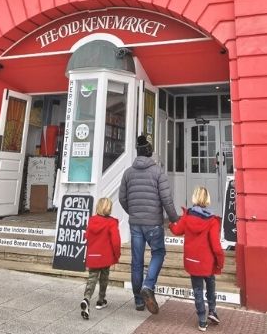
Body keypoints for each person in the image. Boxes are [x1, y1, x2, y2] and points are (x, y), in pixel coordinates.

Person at [119, 134, 179, 314]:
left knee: (136, 261)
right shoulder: (158, 172)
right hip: (153, 223)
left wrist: (134, 212)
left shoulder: (128, 172)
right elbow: (166, 199)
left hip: (135, 223)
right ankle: (148, 285)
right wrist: (175, 219)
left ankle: (138, 301)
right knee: (158, 253)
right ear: (150, 153)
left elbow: (122, 198)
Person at [169, 186, 225, 331]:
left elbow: (176, 230)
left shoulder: (187, 216)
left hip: (192, 262)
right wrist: (220, 262)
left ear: (194, 198)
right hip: (207, 263)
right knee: (211, 286)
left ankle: (201, 320)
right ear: (207, 199)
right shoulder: (212, 221)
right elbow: (216, 246)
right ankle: (212, 310)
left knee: (197, 290)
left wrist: (171, 223)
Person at [81, 197, 121, 320]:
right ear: (109, 208)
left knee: (92, 278)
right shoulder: (111, 222)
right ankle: (100, 300)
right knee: (104, 277)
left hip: (93, 255)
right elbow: (116, 241)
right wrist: (117, 254)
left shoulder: (92, 220)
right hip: (105, 256)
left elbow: (87, 236)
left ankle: (86, 298)